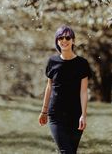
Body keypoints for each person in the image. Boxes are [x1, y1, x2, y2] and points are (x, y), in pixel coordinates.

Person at [38, 25, 92, 154]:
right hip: (56, 114)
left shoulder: (82, 64)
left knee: (71, 151)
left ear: (73, 40)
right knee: (66, 151)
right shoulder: (52, 61)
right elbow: (49, 87)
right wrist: (44, 111)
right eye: (60, 37)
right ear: (57, 41)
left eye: (68, 37)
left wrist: (83, 115)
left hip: (75, 114)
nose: (64, 40)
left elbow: (83, 91)